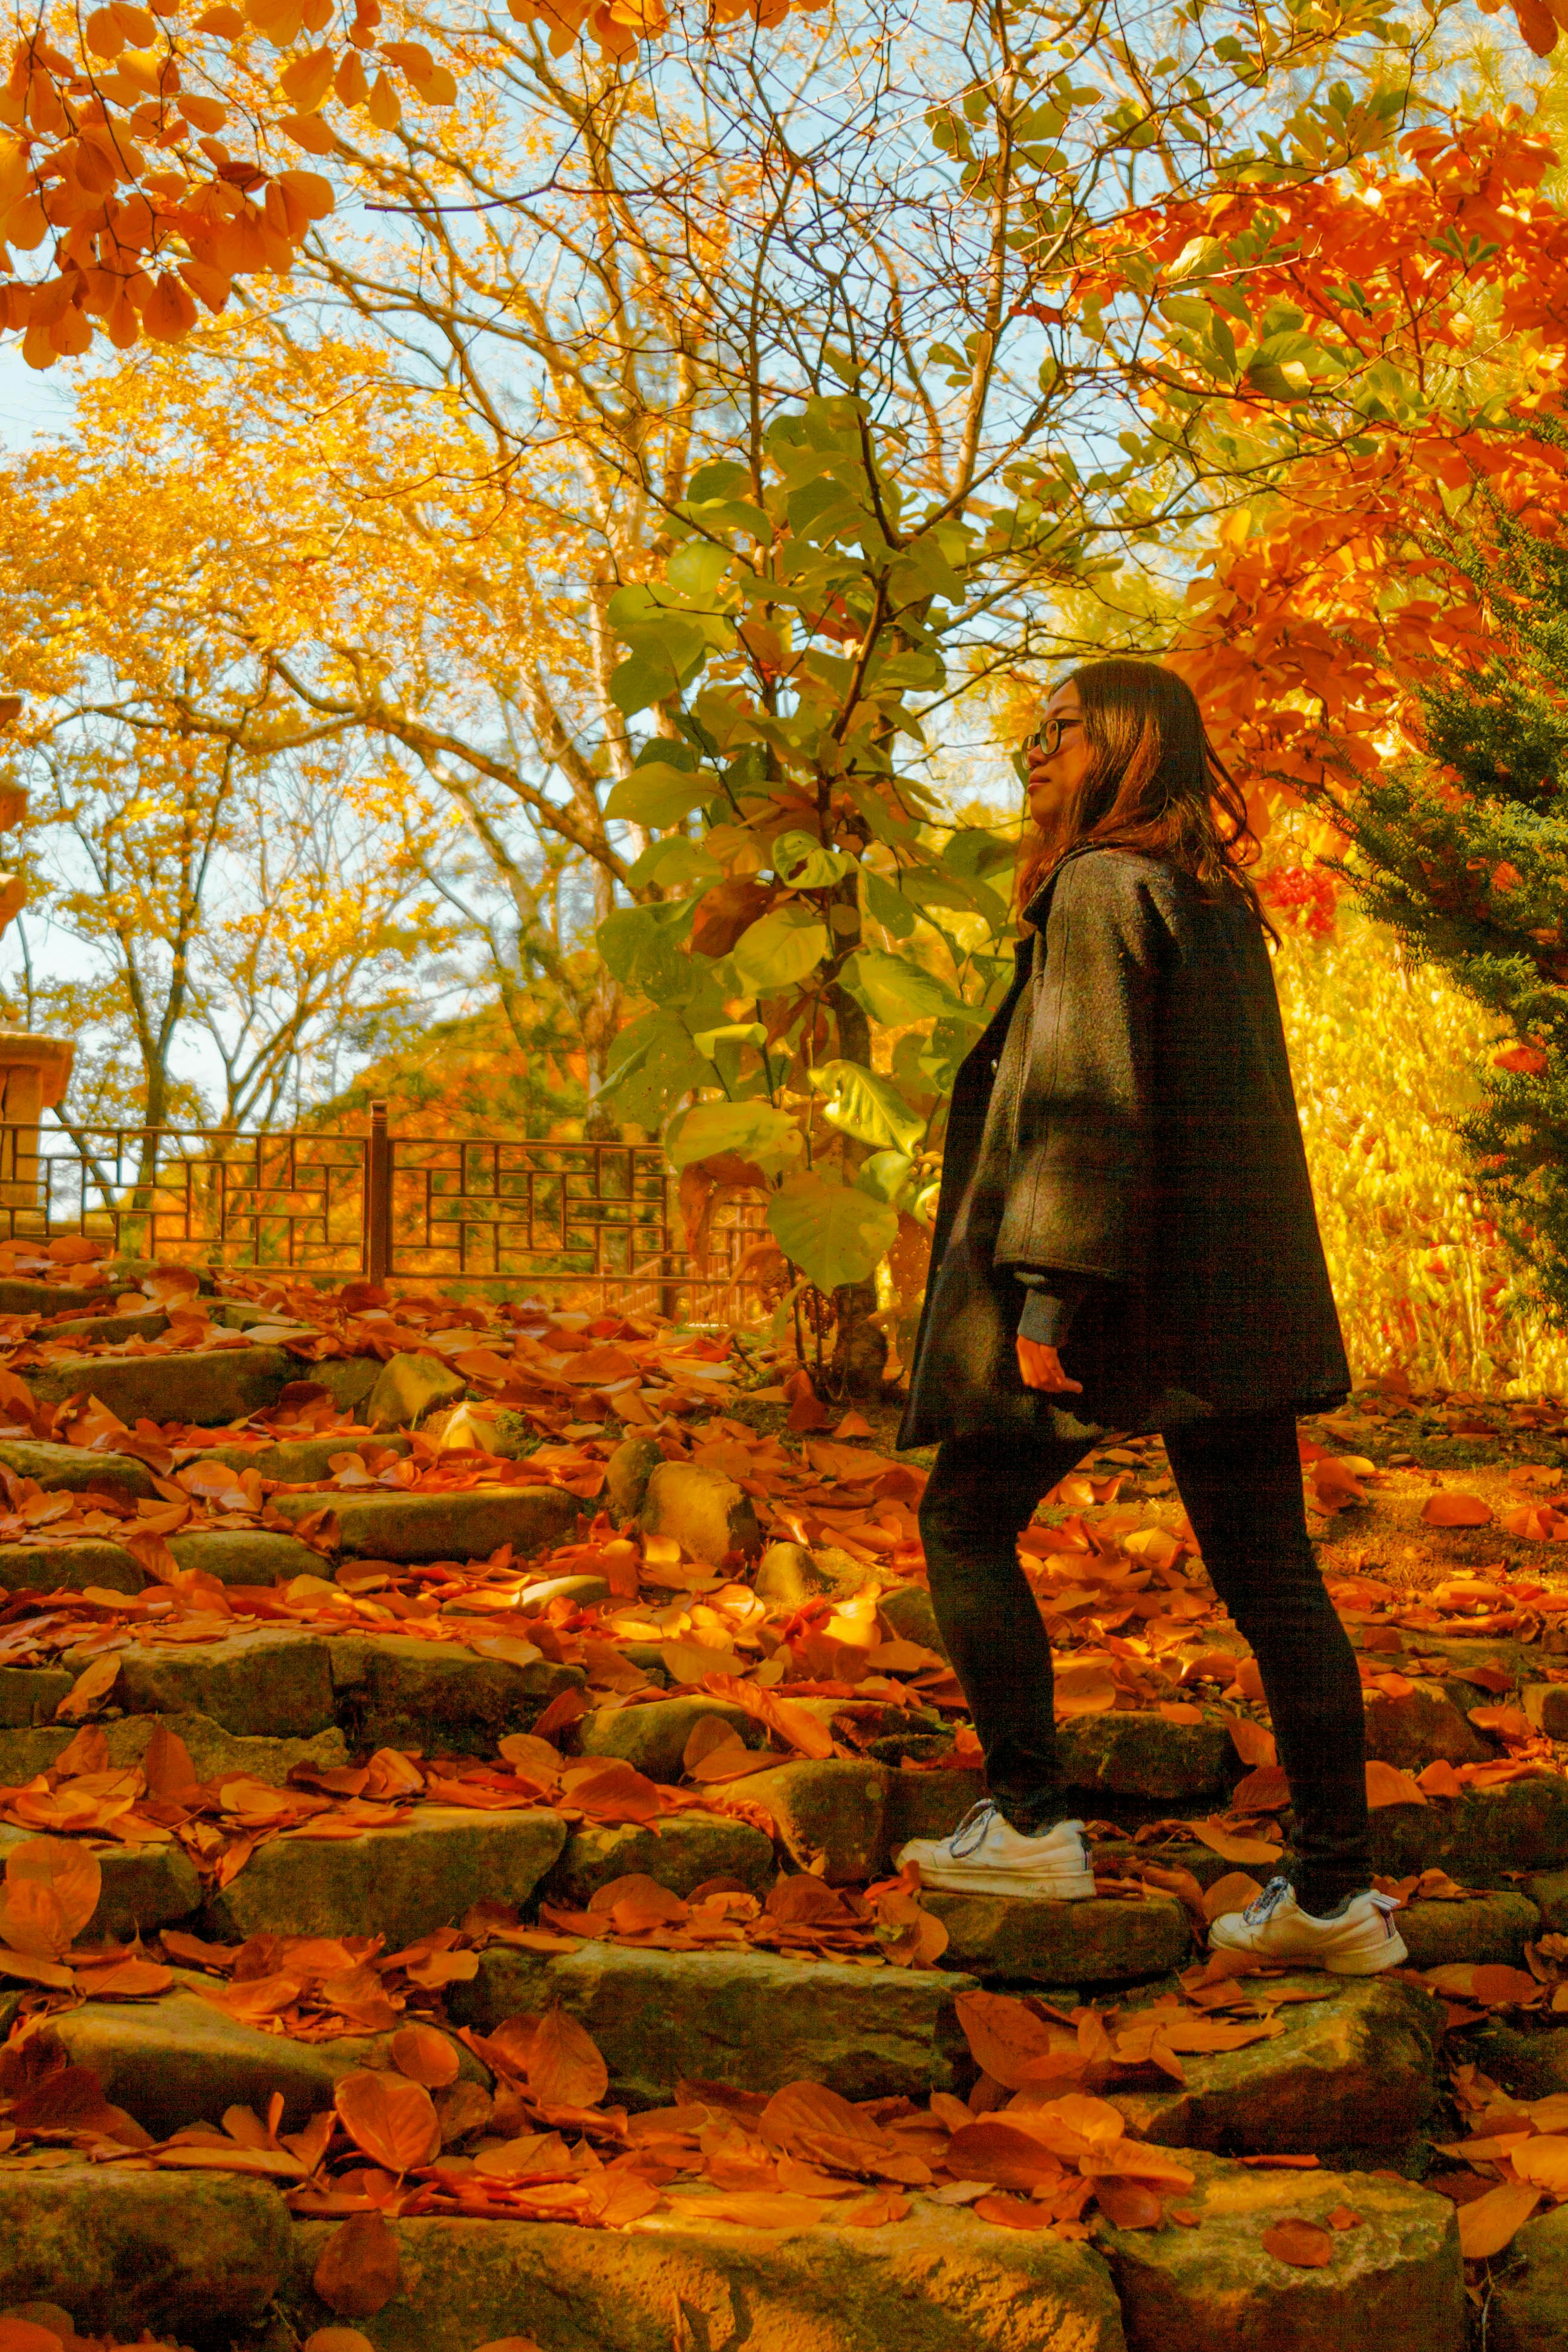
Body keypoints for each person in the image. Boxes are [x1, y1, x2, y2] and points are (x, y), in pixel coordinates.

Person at [894, 659, 1406, 1976]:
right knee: (1272, 1580)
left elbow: (1087, 1099)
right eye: (1035, 730)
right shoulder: (1209, 899)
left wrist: (1047, 1298)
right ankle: (1335, 1900)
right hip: (1223, 1302)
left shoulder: (1103, 887)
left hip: (1120, 1298)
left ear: (1125, 746)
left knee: (961, 1518)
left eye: (1063, 729)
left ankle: (1028, 1821)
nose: (1035, 751)